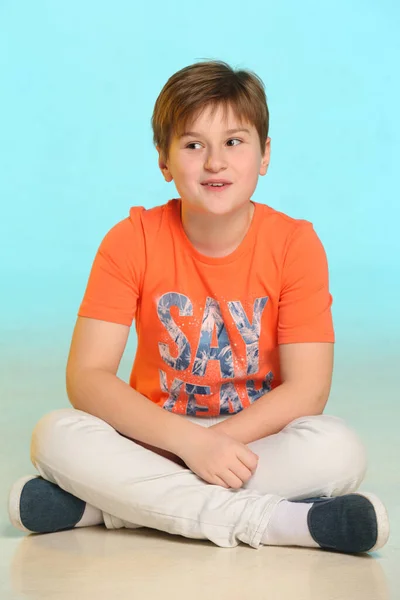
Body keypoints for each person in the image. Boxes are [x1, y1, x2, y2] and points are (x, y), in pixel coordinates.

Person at [8, 60, 389, 553]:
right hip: (155, 439)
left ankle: (109, 507)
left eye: (234, 142)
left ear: (265, 155)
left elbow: (308, 390)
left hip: (253, 443)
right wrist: (188, 445)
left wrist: (215, 444)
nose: (215, 162)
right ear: (164, 163)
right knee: (54, 434)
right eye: (193, 145)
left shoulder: (295, 244)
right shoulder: (132, 240)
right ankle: (277, 523)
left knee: (339, 449)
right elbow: (87, 377)